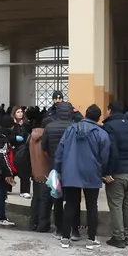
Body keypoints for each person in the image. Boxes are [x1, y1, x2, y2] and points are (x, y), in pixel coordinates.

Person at [54, 104, 110, 250]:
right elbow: (104, 156)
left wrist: (58, 170)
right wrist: (102, 171)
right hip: (92, 173)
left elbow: (60, 152)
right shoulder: (101, 133)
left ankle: (65, 238)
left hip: (71, 173)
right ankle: (91, 239)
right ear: (99, 118)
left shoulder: (70, 129)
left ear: (85, 114)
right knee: (92, 205)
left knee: (70, 204)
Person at [101, 101, 128, 248]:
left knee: (116, 204)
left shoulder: (109, 126)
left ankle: (118, 237)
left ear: (110, 111)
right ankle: (126, 235)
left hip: (117, 173)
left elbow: (111, 152)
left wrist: (108, 172)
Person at [41, 102, 80, 239]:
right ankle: (75, 230)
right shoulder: (76, 127)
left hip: (55, 168)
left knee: (57, 198)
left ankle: (59, 229)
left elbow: (44, 147)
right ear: (71, 112)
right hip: (73, 168)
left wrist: (52, 158)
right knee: (74, 200)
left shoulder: (49, 127)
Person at [0, 116, 17, 227]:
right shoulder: (2, 138)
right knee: (1, 193)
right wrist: (8, 173)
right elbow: (3, 157)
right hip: (1, 170)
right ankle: (1, 218)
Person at [28, 127, 51, 232]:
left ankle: (33, 223)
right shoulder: (45, 139)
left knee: (36, 199)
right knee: (44, 201)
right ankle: (43, 225)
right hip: (45, 173)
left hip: (35, 172)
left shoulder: (31, 137)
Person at [9, 107, 32, 198]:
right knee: (10, 170)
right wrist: (14, 138)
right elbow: (7, 135)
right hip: (13, 149)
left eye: (21, 112)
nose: (20, 114)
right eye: (18, 112)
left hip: (24, 150)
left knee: (24, 171)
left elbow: (29, 135)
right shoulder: (11, 124)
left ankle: (24, 191)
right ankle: (7, 187)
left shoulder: (26, 124)